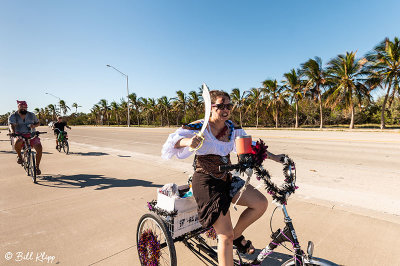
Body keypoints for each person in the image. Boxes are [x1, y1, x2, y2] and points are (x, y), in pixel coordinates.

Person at [161, 90, 285, 266]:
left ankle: (236, 235)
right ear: (210, 107)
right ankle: (229, 239)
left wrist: (276, 157)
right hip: (206, 182)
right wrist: (189, 142)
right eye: (221, 106)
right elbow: (173, 142)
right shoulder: (200, 126)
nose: (226, 109)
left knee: (260, 204)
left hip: (226, 178)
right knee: (224, 235)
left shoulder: (232, 128)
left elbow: (251, 146)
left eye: (229, 106)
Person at [8, 100, 43, 175]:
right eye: (21, 107)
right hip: (19, 134)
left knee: (39, 147)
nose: (23, 108)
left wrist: (34, 126)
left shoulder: (31, 115)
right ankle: (20, 157)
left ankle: (37, 167)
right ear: (18, 107)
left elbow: (38, 123)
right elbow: (11, 125)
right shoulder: (13, 116)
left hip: (31, 135)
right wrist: (12, 132)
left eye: (25, 107)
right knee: (18, 142)